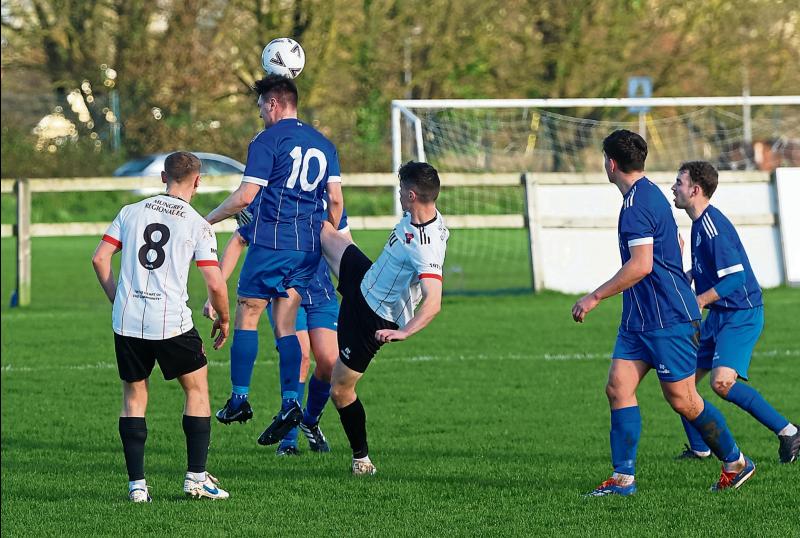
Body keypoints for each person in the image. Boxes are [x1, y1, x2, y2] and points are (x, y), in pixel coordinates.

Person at [571, 130, 754, 496]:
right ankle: (623, 480)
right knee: (618, 387)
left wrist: (594, 297)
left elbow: (640, 265)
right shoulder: (646, 194)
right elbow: (672, 242)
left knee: (683, 400)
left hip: (668, 318)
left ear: (610, 163)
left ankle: (736, 462)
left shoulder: (639, 203)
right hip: (639, 320)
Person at [204, 74, 343, 445]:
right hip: (307, 250)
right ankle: (291, 403)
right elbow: (337, 204)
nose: (261, 114)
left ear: (273, 103)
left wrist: (205, 220)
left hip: (272, 241)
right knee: (285, 324)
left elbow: (246, 197)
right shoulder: (324, 144)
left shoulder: (267, 140)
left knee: (248, 311)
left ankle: (239, 398)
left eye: (261, 107)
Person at [91, 151, 231, 502]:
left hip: (127, 320)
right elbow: (214, 282)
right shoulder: (198, 223)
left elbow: (100, 258)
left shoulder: (130, 212)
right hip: (171, 323)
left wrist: (118, 298)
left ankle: (137, 487)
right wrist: (225, 317)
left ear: (162, 177)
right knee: (196, 390)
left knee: (134, 397)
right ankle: (196, 479)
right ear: (198, 181)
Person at [319, 160, 448, 475]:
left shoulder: (425, 246)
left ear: (413, 195)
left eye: (402, 189)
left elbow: (433, 303)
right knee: (320, 229)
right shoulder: (421, 216)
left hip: (373, 317)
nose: (399, 193)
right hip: (367, 278)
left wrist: (404, 332)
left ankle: (361, 459)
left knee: (340, 389)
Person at [671, 160, 799, 463]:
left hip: (741, 313)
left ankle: (789, 433)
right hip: (720, 315)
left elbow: (736, 277)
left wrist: (700, 299)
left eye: (679, 182)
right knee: (681, 381)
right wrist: (687, 275)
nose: (673, 187)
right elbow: (711, 270)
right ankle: (701, 447)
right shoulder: (699, 223)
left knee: (722, 383)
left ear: (695, 190)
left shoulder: (713, 227)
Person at [205, 202, 351, 456]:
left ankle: (310, 420)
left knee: (329, 362)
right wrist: (214, 292)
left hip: (321, 293)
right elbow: (240, 237)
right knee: (303, 354)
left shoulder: (328, 203)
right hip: (284, 291)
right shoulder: (274, 198)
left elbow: (345, 248)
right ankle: (288, 441)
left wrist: (357, 289)